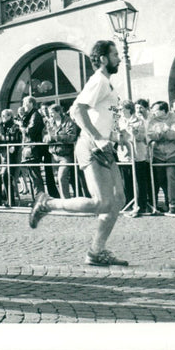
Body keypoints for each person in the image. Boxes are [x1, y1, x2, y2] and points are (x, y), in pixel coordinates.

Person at [29, 40, 128, 267]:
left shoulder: (108, 85)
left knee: (118, 199)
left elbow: (102, 116)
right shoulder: (98, 81)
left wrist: (116, 135)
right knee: (102, 202)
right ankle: (47, 203)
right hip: (91, 147)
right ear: (102, 59)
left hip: (105, 147)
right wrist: (98, 138)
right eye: (114, 54)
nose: (119, 58)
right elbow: (77, 110)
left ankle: (96, 251)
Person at [146, 101, 175, 213]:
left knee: (171, 176)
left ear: (163, 111)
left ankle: (174, 204)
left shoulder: (174, 117)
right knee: (161, 178)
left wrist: (161, 133)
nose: (153, 112)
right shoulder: (152, 120)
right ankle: (168, 201)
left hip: (173, 152)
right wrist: (164, 132)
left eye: (155, 110)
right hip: (158, 154)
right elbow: (150, 135)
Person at [43, 104, 79, 199]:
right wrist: (46, 138)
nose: (50, 115)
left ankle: (65, 201)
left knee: (62, 177)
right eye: (50, 113)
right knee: (57, 179)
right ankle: (65, 199)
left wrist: (55, 137)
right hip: (53, 155)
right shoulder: (49, 123)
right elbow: (44, 135)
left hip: (65, 155)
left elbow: (71, 137)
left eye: (52, 113)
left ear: (58, 112)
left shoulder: (68, 122)